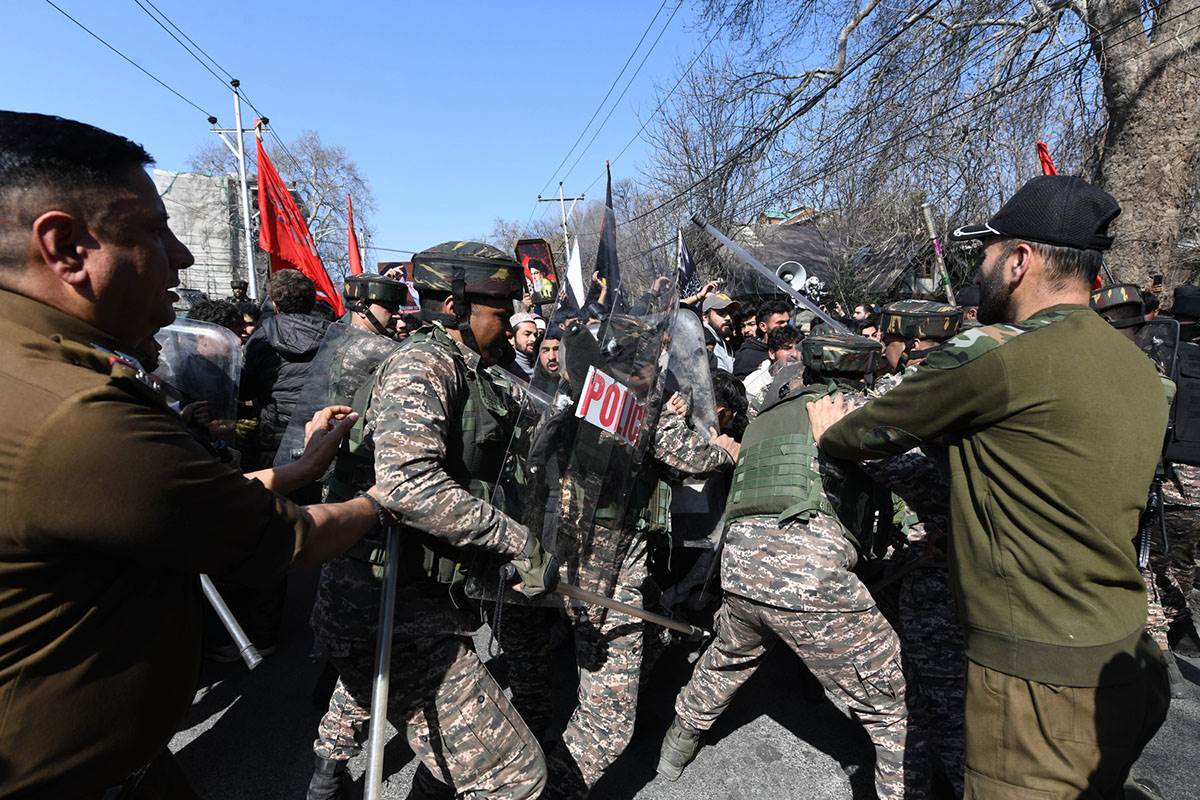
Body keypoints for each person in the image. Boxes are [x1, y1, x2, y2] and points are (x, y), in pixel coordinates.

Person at [0, 110, 381, 799]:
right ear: (64, 248)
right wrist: (385, 503)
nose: (179, 256)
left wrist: (298, 469)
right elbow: (283, 540)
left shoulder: (34, 371)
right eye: (152, 229)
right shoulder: (80, 414)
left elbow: (167, 501)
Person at [808, 175, 1170, 799]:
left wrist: (830, 426)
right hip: (1127, 657)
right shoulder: (1137, 367)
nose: (979, 269)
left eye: (986, 254)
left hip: (1039, 689)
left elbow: (855, 438)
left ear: (1020, 261)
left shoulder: (995, 357)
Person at [307, 241, 556, 800]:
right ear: (455, 308)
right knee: (512, 775)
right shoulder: (426, 364)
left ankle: (325, 782)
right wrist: (515, 541)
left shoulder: (467, 367)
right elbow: (408, 483)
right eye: (501, 309)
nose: (513, 319)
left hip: (407, 598)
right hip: (390, 603)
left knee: (372, 698)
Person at [658, 334, 910, 800]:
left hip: (739, 569)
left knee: (727, 657)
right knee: (891, 699)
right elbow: (904, 485)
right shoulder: (852, 410)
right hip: (808, 579)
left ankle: (675, 749)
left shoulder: (766, 417)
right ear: (863, 371)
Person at [242, 268, 332, 469]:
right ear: (311, 301)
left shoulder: (261, 336)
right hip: (320, 432)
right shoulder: (334, 335)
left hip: (275, 437)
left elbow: (246, 388)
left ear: (275, 304)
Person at [743, 324, 802, 415]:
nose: (794, 354)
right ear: (772, 353)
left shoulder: (806, 376)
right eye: (787, 348)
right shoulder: (754, 384)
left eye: (798, 348)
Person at [733, 298, 792, 378]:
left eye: (787, 322)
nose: (785, 326)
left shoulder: (794, 347)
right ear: (763, 326)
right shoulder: (747, 356)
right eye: (780, 323)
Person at [701, 293, 740, 373]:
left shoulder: (724, 343)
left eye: (730, 313)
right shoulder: (702, 339)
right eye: (721, 313)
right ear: (705, 317)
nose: (728, 318)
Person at [505, 311, 541, 379]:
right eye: (527, 334)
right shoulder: (508, 370)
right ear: (512, 338)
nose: (534, 339)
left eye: (535, 335)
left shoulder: (542, 363)